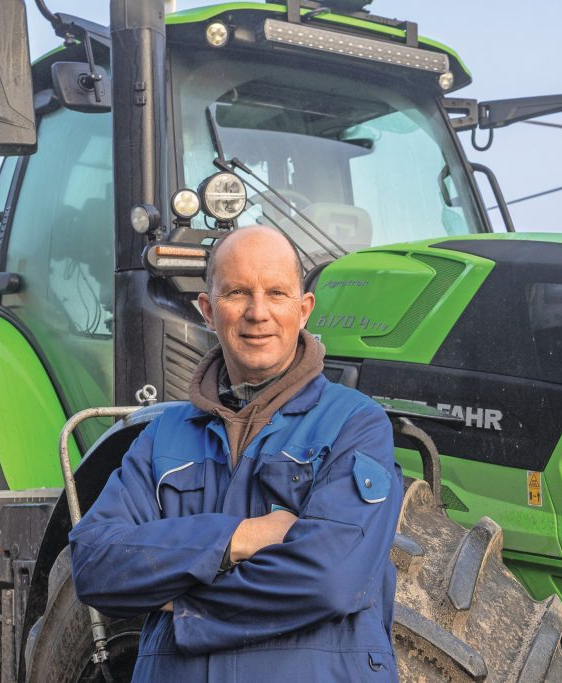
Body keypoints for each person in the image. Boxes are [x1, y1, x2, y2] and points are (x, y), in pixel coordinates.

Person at [70, 225, 402, 681]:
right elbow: (95, 565)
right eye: (237, 293)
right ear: (208, 310)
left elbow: (330, 579)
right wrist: (240, 537)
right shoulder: (162, 436)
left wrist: (183, 604)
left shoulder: (355, 424)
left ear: (304, 309)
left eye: (277, 293)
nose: (258, 313)